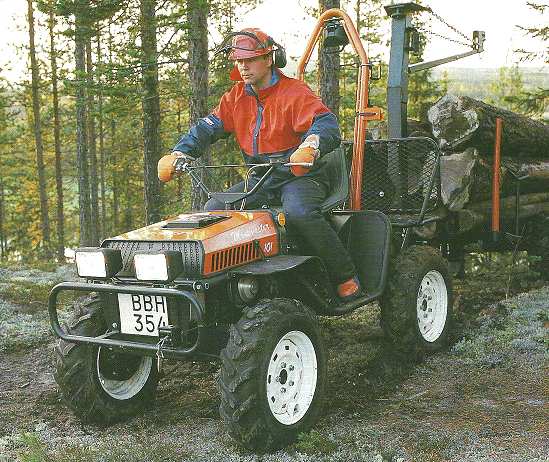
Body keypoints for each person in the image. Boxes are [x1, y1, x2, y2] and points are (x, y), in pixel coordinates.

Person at [160, 28, 362, 301]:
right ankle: (232, 287)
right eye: (238, 61)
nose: (243, 66)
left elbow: (326, 123)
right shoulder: (235, 98)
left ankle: (344, 275)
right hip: (262, 177)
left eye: (250, 59)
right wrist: (180, 153)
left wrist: (310, 146)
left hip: (301, 175)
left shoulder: (294, 92)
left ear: (269, 59)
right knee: (216, 209)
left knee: (299, 211)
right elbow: (206, 129)